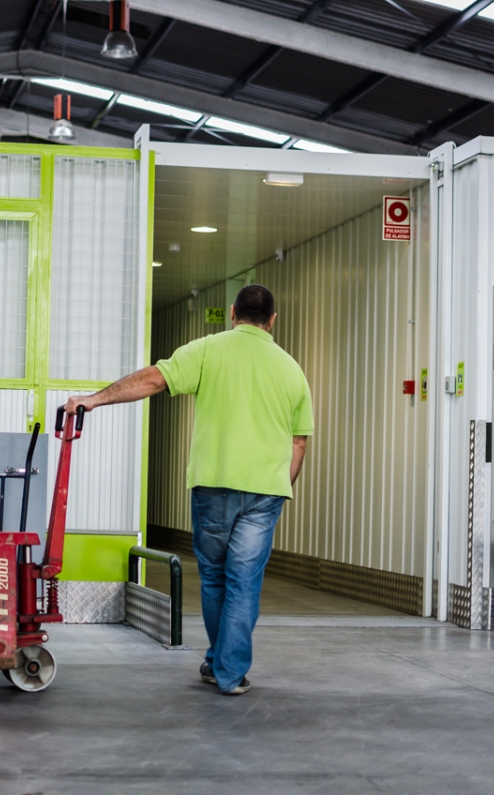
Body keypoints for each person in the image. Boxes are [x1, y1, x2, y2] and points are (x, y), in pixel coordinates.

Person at [65, 284, 313, 695]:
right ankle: (228, 671)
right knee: (244, 581)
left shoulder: (207, 349)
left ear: (233, 313)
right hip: (265, 491)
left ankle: (220, 665)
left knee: (215, 577)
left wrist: (94, 400)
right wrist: (279, 487)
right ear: (272, 320)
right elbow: (299, 442)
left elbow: (153, 379)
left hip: (213, 483)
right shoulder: (292, 369)